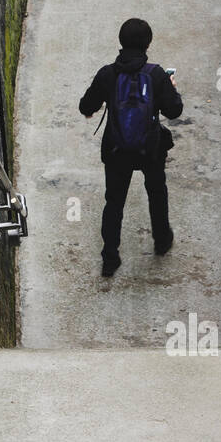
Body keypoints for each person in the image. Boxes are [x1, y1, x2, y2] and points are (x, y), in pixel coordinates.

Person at [78, 18, 183, 277]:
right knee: (157, 192)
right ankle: (161, 240)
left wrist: (98, 107)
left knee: (114, 202)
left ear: (121, 43)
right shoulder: (156, 75)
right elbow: (174, 110)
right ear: (148, 44)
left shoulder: (107, 74)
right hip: (150, 149)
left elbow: (85, 106)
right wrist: (171, 89)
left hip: (116, 150)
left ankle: (110, 258)